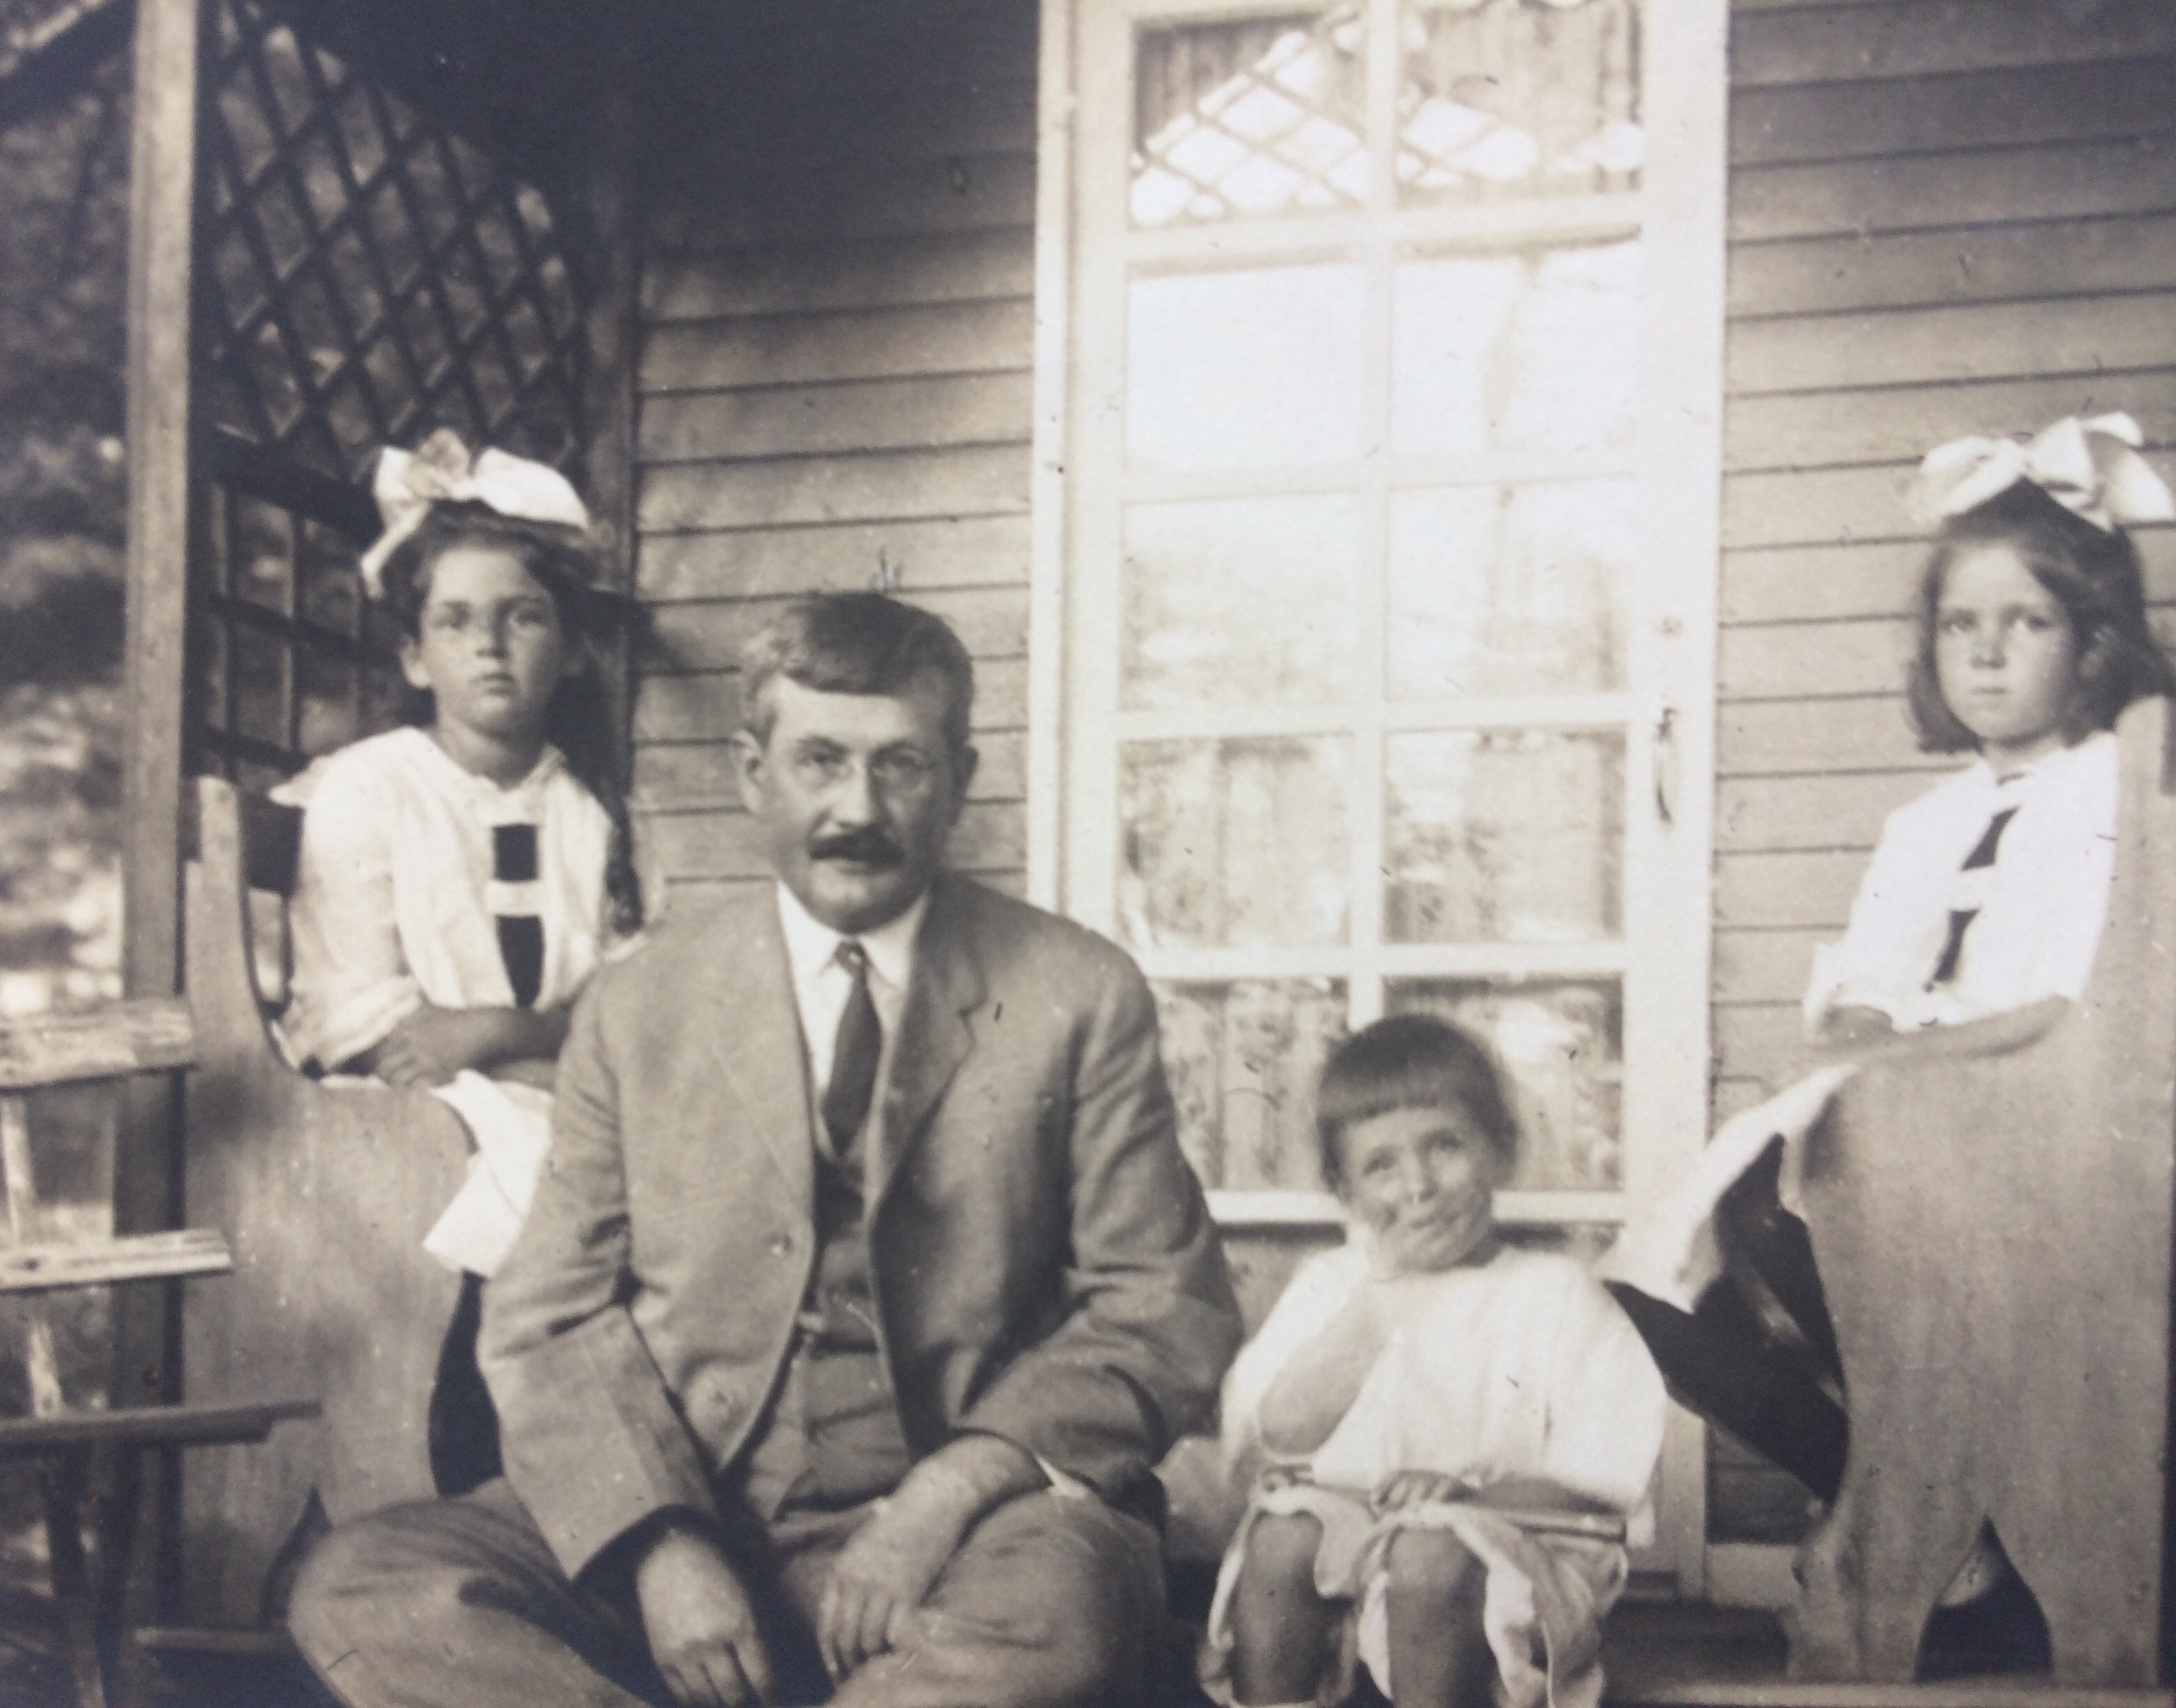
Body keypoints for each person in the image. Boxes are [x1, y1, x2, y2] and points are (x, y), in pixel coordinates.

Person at [285, 590, 1243, 1708]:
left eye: (902, 766)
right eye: (820, 761)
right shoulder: (640, 1007)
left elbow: (1164, 1305)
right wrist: (658, 1541)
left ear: (960, 780)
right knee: (363, 1586)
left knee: (1065, 1609)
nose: (858, 809)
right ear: (753, 773)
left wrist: (949, 1491)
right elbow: (547, 1312)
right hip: (694, 1503)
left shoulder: (1075, 992)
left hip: (973, 1530)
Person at [1604, 412, 2175, 1646]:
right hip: (1894, 1108)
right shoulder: (1926, 824)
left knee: (1797, 1209)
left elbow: (2073, 1000)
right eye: (1959, 625)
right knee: (1670, 1271)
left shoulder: (2120, 794)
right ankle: (1915, 1505)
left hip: (2045, 1132)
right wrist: (1855, 1033)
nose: (1985, 653)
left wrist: (1885, 1058)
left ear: (2090, 643)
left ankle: (1935, 1508)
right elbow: (1866, 977)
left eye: (2025, 623)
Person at [278, 429, 648, 1494]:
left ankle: (592, 1482)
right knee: (535, 1170)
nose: (489, 646)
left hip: (552, 1093)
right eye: (455, 621)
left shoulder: (592, 810)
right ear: (413, 656)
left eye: (522, 617)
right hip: (392, 1107)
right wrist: (543, 1052)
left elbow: (634, 1012)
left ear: (567, 647)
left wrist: (502, 1031)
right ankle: (485, 1472)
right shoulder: (371, 789)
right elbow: (370, 1026)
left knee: (633, 1166)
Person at [1204, 1016, 1665, 1708]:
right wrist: (1378, 1303)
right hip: (1359, 1543)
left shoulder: (1553, 1293)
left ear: (1501, 1151)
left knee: (1428, 1554)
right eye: (1381, 1167)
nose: (1418, 1185)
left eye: (1445, 1146)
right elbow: (1274, 1435)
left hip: (1519, 1548)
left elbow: (1603, 1477)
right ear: (1345, 1192)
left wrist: (1466, 1498)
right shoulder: (1336, 1285)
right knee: (1281, 1541)